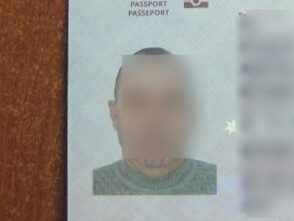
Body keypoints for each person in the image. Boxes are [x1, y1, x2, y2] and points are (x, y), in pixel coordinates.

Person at [93, 47, 217, 195]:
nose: (154, 120)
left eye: (171, 102)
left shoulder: (220, 183)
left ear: (190, 114)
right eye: (137, 102)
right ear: (114, 115)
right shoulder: (90, 187)